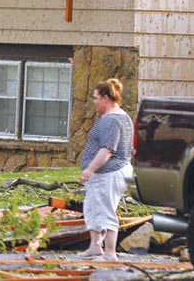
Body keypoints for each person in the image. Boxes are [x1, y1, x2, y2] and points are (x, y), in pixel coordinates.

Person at [77, 78, 134, 262]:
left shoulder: (112, 121)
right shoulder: (121, 117)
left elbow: (107, 150)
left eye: (96, 98)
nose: (94, 102)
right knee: (92, 207)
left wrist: (90, 170)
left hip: (108, 173)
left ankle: (110, 253)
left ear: (105, 98)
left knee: (106, 211)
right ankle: (95, 247)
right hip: (111, 172)